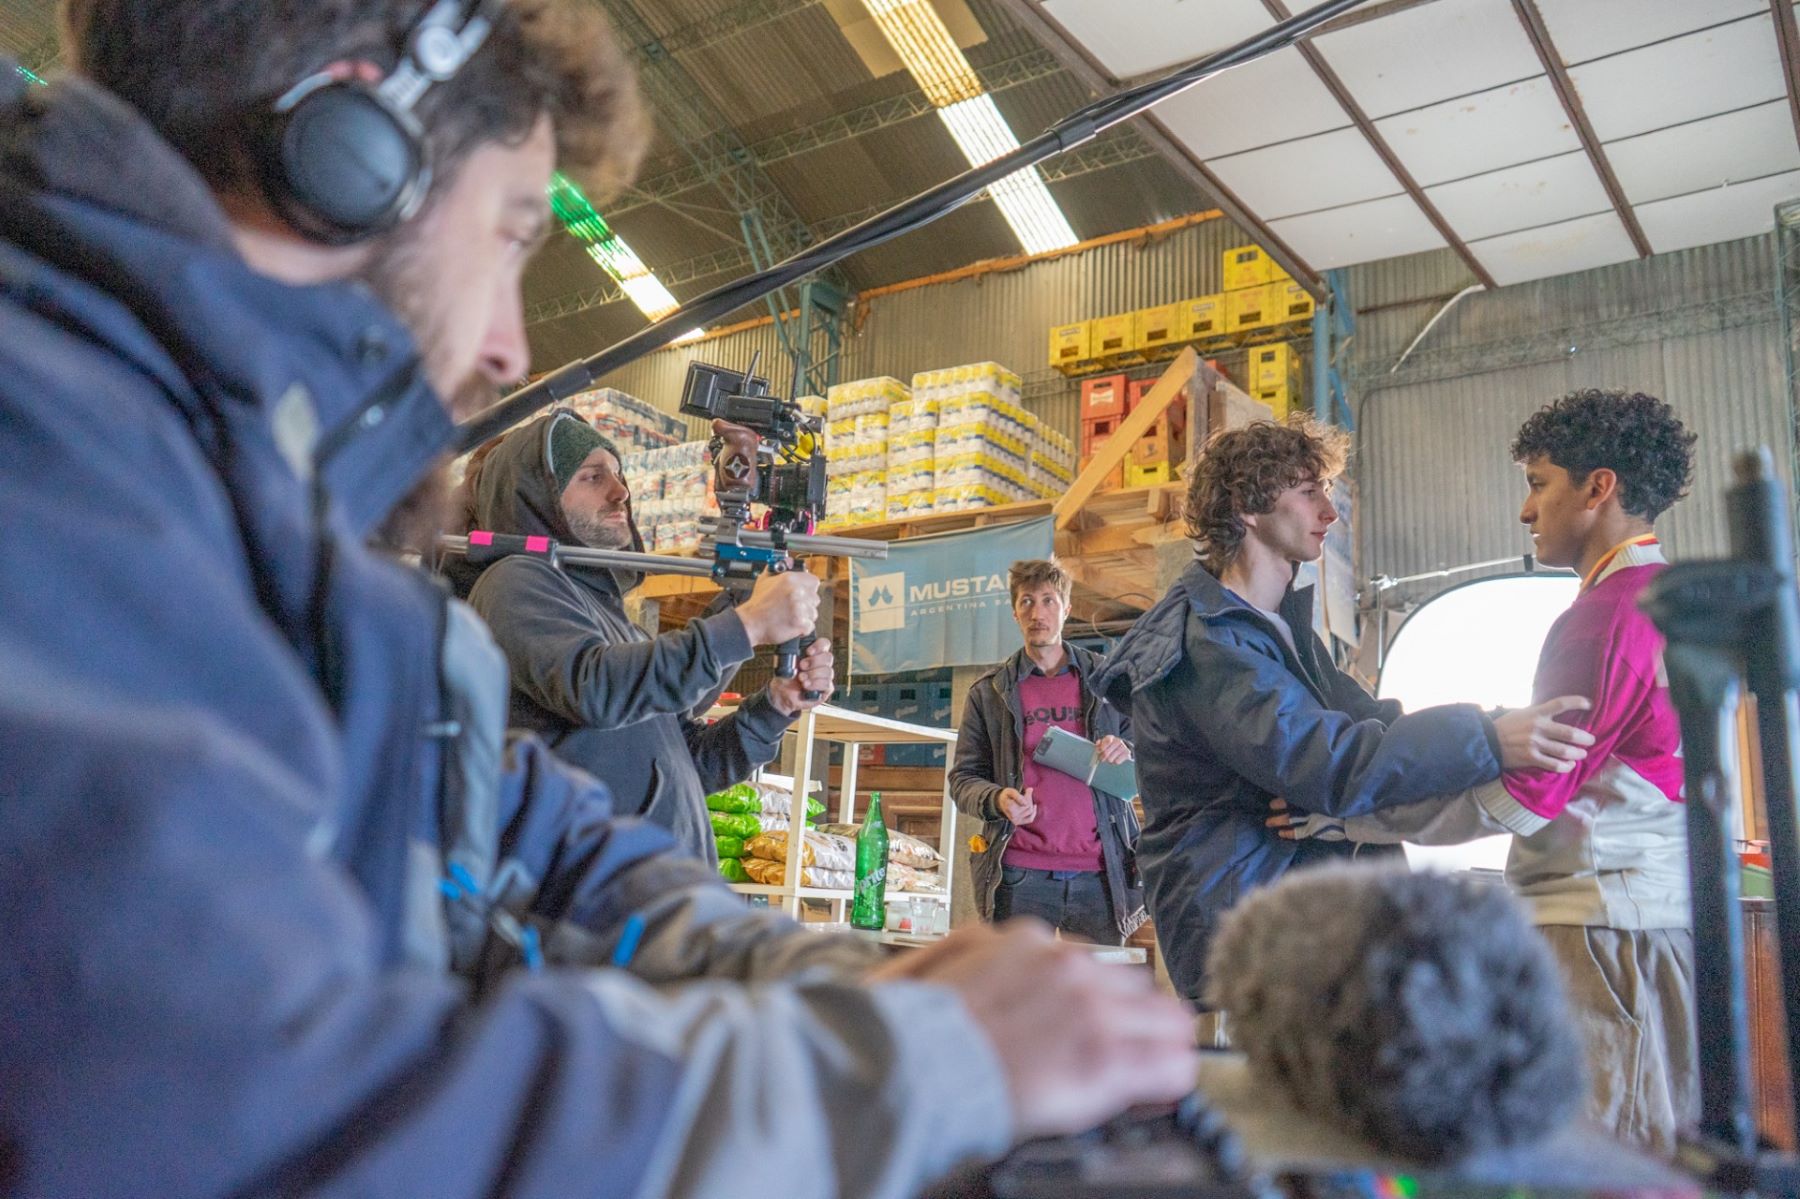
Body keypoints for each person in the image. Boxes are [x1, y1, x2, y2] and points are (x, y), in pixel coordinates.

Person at [0, 3, 1200, 1196]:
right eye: (515, 233)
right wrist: (902, 1063)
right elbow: (242, 1104)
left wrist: (806, 974)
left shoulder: (260, 515)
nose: (513, 346)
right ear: (349, 152)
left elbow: (506, 816)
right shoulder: (54, 470)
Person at [1270, 389, 1698, 1153]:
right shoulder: (1669, 601)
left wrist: (1347, 814)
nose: (1526, 512)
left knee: (1597, 1149)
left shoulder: (1600, 616)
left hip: (1600, 928)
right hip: (1644, 919)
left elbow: (1518, 799)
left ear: (1598, 488)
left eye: (1539, 483)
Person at [1091, 417, 1595, 1005]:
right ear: (1247, 508)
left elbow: (1373, 725)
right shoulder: (1210, 646)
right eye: (1309, 493)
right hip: (1241, 932)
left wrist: (1501, 721)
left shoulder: (1271, 628)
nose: (1329, 513)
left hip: (1291, 914)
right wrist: (1486, 737)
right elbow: (1329, 764)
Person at [454, 407, 833, 861]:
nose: (621, 493)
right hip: (579, 905)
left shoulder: (610, 617)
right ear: (537, 497)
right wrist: (747, 624)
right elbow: (596, 689)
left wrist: (775, 707)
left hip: (651, 900)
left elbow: (687, 763)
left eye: (617, 475)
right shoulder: (515, 582)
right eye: (592, 478)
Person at [950, 557, 1145, 944]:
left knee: (1092, 1001)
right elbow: (962, 780)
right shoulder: (989, 692)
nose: (1037, 612)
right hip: (1020, 874)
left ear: (1067, 609)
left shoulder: (1108, 681)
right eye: (1026, 602)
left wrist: (1127, 749)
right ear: (1014, 612)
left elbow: (1158, 754)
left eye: (1048, 600)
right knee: (1016, 999)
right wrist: (997, 798)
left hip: (1101, 873)